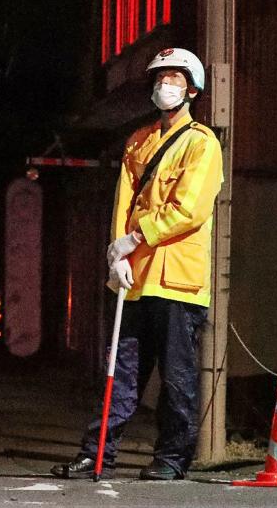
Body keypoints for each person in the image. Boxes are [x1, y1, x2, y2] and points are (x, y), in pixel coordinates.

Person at [53, 47, 223, 481]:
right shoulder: (138, 140)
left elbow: (189, 210)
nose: (165, 85)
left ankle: (171, 459)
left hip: (179, 284)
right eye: (160, 78)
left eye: (175, 79)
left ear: (192, 90)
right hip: (135, 279)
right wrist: (117, 252)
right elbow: (124, 203)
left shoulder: (201, 144)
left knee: (177, 382)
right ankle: (97, 454)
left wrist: (137, 236)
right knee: (119, 375)